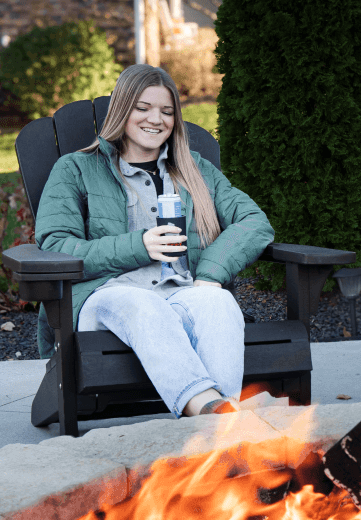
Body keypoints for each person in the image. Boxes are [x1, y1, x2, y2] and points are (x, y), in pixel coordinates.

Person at [35, 64, 274, 417]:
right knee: (143, 305)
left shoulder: (195, 170)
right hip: (106, 296)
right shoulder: (76, 169)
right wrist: (140, 245)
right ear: (122, 110)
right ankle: (207, 410)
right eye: (143, 108)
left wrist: (209, 274)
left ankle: (219, 430)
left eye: (166, 111)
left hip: (180, 292)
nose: (156, 119)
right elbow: (56, 244)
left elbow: (254, 222)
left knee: (219, 303)